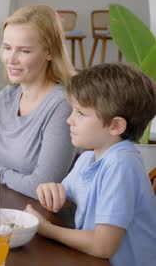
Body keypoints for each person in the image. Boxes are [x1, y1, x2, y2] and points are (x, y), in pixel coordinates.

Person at [26, 63, 156, 265]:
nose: (70, 120)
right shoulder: (89, 158)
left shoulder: (122, 164)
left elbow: (103, 246)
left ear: (115, 126)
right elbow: (67, 198)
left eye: (80, 113)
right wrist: (53, 191)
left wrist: (46, 229)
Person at [0, 5, 77, 198]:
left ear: (49, 52)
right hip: (13, 208)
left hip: (49, 219)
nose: (11, 59)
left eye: (24, 51)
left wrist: (3, 172)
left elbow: (42, 187)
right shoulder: (6, 98)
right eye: (7, 48)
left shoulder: (62, 105)